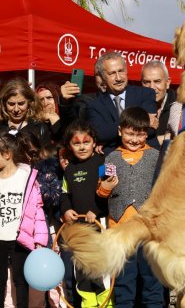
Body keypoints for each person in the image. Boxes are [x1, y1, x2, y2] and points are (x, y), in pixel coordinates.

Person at [95, 107, 164, 308]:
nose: (134, 139)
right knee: (124, 283)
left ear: (147, 133)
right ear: (120, 131)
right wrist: (106, 187)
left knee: (152, 281)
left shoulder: (156, 157)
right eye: (130, 134)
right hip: (120, 230)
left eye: (140, 134)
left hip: (149, 230)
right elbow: (101, 192)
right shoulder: (110, 158)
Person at [59, 120, 111, 307]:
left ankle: (106, 304)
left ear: (94, 143)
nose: (82, 147)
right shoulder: (69, 169)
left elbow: (110, 192)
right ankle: (87, 304)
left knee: (101, 270)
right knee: (81, 272)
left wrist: (96, 211)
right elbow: (65, 193)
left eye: (86, 142)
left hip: (99, 226)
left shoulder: (104, 162)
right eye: (76, 143)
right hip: (79, 230)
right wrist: (66, 209)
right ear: (69, 146)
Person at [0, 132, 49, 308]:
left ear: (6, 154)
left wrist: (40, 240)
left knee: (20, 280)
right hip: (0, 238)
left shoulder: (26, 177)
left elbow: (37, 209)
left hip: (20, 238)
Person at [86, 52, 158, 154]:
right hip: (114, 159)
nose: (118, 78)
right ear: (103, 77)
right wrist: (141, 123)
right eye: (112, 73)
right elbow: (100, 134)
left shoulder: (146, 94)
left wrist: (109, 140)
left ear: (127, 71)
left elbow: (150, 131)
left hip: (147, 157)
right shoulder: (95, 105)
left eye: (121, 71)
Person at [141, 60, 182, 146]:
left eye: (157, 81)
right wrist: (165, 138)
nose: (152, 87)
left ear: (167, 83)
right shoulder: (135, 105)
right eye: (147, 82)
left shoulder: (182, 104)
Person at [0, 78, 51, 146]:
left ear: (30, 102)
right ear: (4, 103)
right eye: (11, 104)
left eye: (21, 103)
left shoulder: (39, 128)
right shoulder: (1, 126)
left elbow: (47, 155)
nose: (16, 109)